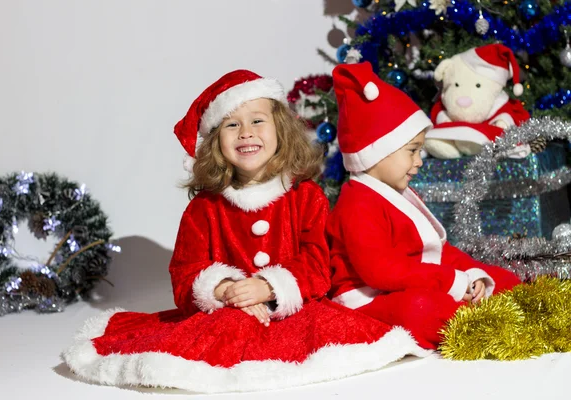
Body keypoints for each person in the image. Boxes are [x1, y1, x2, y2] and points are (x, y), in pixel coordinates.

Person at [62, 69, 428, 393]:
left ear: (281, 130)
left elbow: (318, 263)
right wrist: (224, 290)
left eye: (257, 121)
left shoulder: (305, 197)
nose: (245, 133)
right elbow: (185, 271)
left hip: (295, 313)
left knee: (331, 336)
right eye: (231, 125)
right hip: (228, 315)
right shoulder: (204, 209)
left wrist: (269, 287)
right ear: (216, 141)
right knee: (214, 341)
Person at [326, 62, 522, 350]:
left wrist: (473, 274)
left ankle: (507, 304)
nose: (419, 161)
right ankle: (480, 323)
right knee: (420, 308)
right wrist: (452, 282)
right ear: (378, 150)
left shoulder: (396, 192)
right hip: (369, 298)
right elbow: (381, 272)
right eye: (412, 151)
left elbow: (434, 252)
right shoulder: (357, 204)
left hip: (414, 282)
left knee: (501, 278)